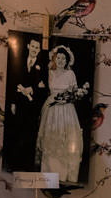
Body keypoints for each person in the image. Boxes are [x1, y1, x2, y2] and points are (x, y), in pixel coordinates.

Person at [36, 44, 86, 183]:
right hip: (51, 109)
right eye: (58, 58)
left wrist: (69, 98)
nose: (60, 61)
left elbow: (75, 92)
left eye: (63, 58)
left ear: (67, 60)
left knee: (66, 138)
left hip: (66, 109)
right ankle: (49, 174)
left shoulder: (70, 74)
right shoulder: (49, 72)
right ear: (54, 58)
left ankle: (63, 175)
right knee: (51, 138)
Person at [3, 35, 49, 172]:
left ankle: (27, 166)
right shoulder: (19, 61)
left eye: (37, 48)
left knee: (30, 135)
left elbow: (44, 87)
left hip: (33, 107)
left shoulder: (42, 67)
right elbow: (12, 83)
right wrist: (12, 102)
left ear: (40, 50)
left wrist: (32, 89)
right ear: (29, 46)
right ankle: (13, 164)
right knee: (17, 132)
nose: (34, 49)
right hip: (18, 104)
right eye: (33, 46)